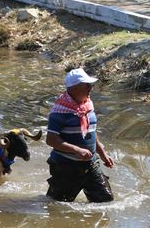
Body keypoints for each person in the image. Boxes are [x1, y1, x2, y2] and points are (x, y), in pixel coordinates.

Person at [45, 68, 114, 203]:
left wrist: (103, 154)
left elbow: (91, 133)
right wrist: (77, 150)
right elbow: (51, 140)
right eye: (87, 85)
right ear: (75, 88)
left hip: (91, 165)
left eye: (91, 85)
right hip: (65, 167)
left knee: (106, 201)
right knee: (57, 206)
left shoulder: (87, 107)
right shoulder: (59, 113)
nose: (91, 88)